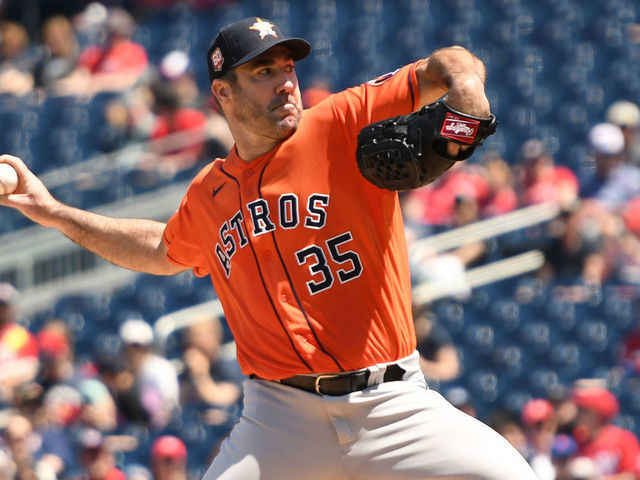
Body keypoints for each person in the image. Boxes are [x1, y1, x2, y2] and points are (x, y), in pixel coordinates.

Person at [0, 16, 537, 479]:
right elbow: (162, 250)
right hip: (281, 417)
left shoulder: (342, 120)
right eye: (264, 72)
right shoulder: (209, 191)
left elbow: (449, 62)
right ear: (223, 94)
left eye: (288, 68)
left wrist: (467, 88)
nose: (285, 83)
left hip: (393, 402)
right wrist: (53, 212)